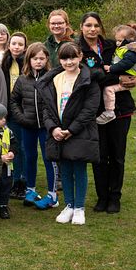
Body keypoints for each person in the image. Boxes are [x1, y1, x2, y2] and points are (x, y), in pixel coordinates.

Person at [78, 12, 136, 214]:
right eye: (88, 25)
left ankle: (115, 197)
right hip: (94, 111)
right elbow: (87, 77)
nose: (92, 29)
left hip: (121, 109)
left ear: (101, 28)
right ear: (81, 27)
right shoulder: (77, 50)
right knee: (99, 156)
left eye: (96, 25)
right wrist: (116, 76)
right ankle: (102, 197)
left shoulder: (114, 45)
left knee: (117, 156)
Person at [37, 42, 100, 225]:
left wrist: (72, 130)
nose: (69, 61)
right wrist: (53, 128)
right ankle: (69, 205)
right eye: (64, 58)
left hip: (80, 131)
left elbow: (90, 109)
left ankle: (79, 208)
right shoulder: (54, 79)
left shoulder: (89, 80)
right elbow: (46, 108)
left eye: (72, 57)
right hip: (58, 131)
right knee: (64, 170)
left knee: (79, 169)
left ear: (80, 57)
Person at [9, 42, 59, 209]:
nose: (38, 61)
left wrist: (51, 121)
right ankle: (30, 190)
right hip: (27, 125)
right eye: (35, 58)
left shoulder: (53, 78)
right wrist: (21, 118)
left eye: (42, 58)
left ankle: (52, 195)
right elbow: (14, 100)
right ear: (29, 60)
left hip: (47, 127)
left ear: (47, 59)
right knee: (29, 157)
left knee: (48, 158)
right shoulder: (22, 80)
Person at [96, 24, 136, 125]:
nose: (117, 43)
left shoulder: (130, 50)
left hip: (123, 108)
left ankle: (109, 112)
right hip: (96, 105)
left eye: (119, 40)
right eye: (117, 40)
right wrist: (119, 77)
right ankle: (109, 112)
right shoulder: (114, 45)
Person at [1, 32, 27, 199]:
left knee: (25, 147)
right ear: (9, 45)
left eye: (20, 44)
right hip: (9, 109)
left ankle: (24, 181)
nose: (16, 47)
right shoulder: (4, 63)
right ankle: (15, 180)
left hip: (25, 109)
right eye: (14, 43)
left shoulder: (27, 62)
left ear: (25, 47)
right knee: (14, 146)